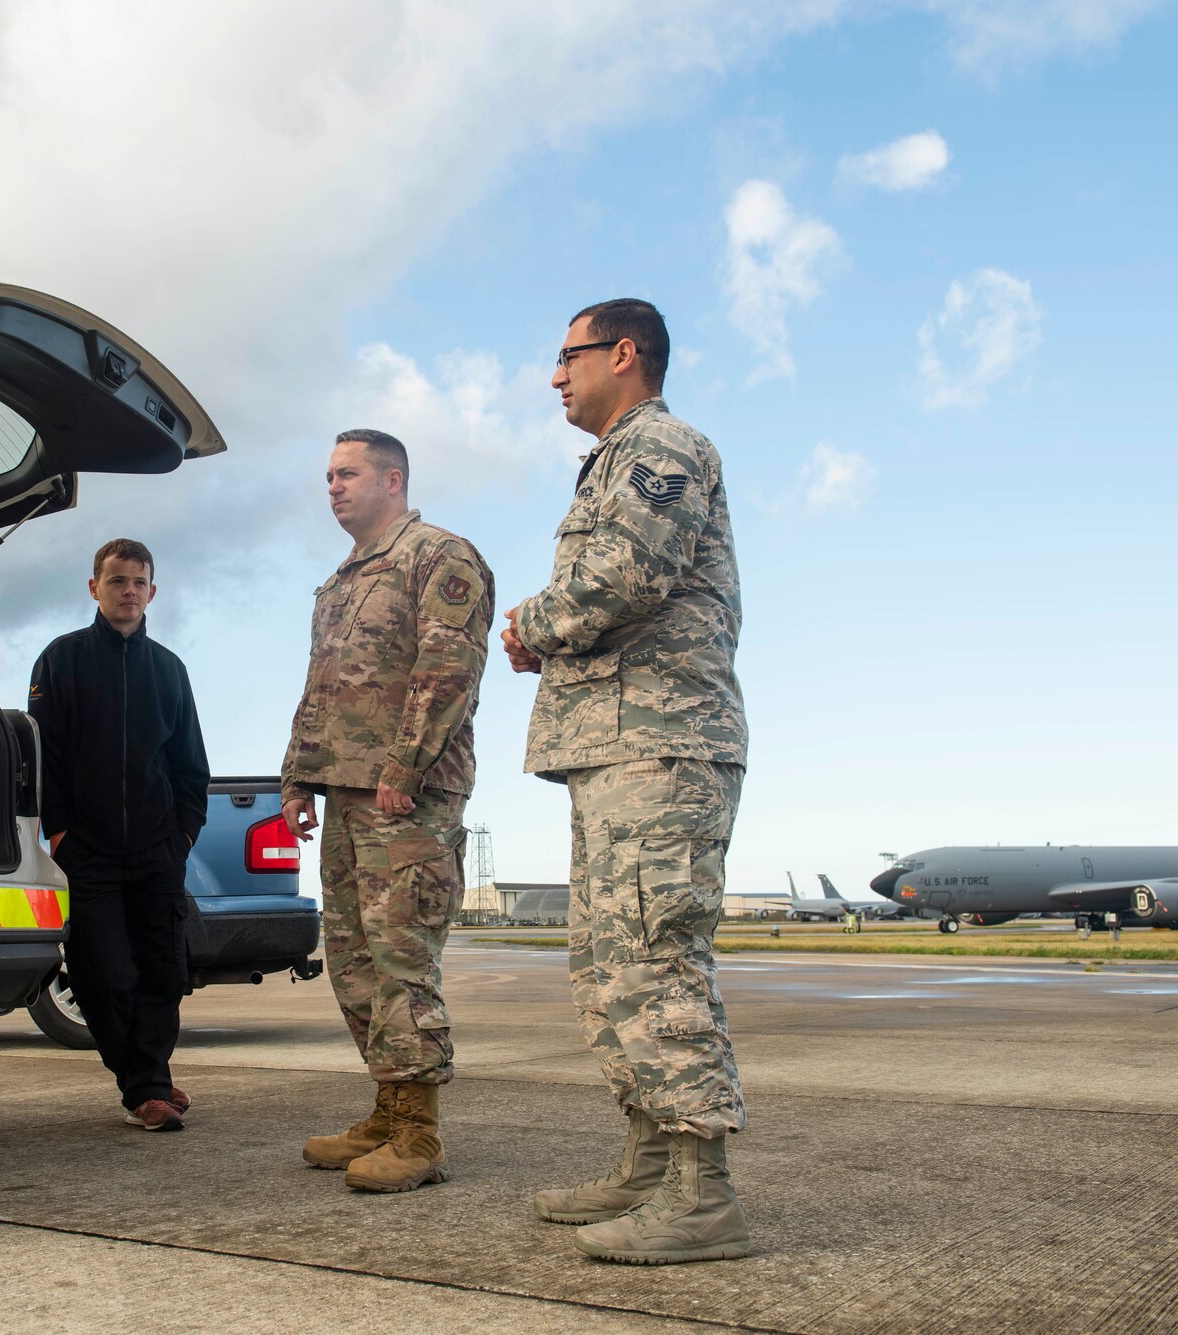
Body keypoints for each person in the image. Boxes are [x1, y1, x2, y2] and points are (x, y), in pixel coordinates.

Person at [501, 299, 752, 1265]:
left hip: (663, 748)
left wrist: (535, 622)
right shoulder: (610, 460)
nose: (556, 376)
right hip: (616, 751)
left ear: (622, 352)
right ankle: (651, 1161)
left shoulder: (666, 447)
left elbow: (630, 573)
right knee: (608, 969)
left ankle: (704, 1192)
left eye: (566, 356)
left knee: (656, 959)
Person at [283, 429, 493, 1193]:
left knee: (403, 958)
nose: (332, 485)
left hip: (407, 798)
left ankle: (419, 1131)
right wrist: (296, 778)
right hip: (344, 795)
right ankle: (386, 1107)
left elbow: (449, 669)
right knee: (353, 958)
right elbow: (323, 685)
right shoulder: (341, 580)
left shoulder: (439, 556)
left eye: (347, 472)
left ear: (392, 479)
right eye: (328, 474)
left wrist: (408, 763)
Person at [27, 538, 209, 1131]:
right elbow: (44, 758)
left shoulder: (170, 669)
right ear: (94, 588)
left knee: (162, 971)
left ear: (152, 592)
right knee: (104, 975)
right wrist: (59, 834)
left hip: (159, 849)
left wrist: (182, 834)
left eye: (138, 582)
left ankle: (146, 1082)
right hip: (89, 853)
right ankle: (144, 1079)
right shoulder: (61, 661)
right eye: (116, 581)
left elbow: (190, 765)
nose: (128, 591)